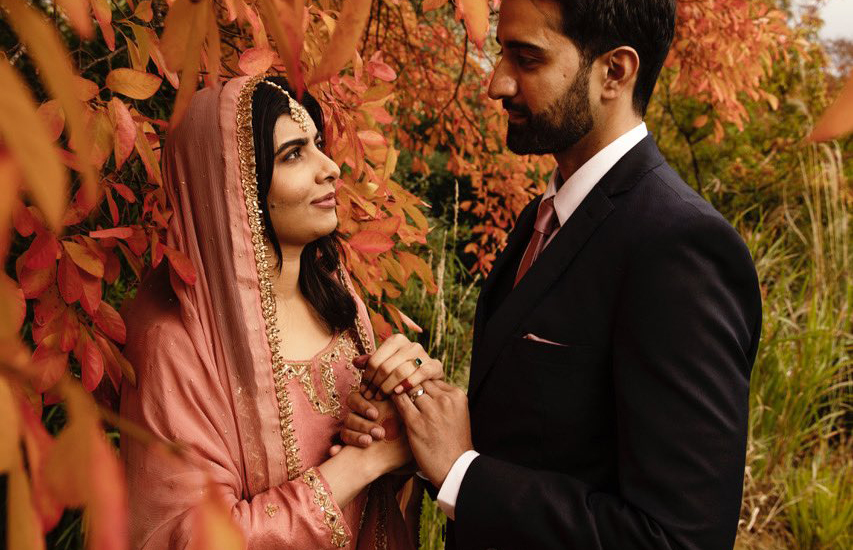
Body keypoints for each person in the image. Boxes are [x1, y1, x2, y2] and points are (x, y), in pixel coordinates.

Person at [342, 1, 763, 549]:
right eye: (501, 53)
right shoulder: (543, 220)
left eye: (527, 58)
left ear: (615, 72)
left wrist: (462, 474)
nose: (497, 84)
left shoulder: (678, 247)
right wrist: (421, 437)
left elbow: (679, 539)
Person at [120, 75, 441, 549]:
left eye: (318, 145)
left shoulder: (339, 298)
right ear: (233, 187)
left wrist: (410, 414)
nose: (330, 167)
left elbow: (386, 479)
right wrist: (361, 463)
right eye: (294, 154)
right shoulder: (174, 342)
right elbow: (191, 538)